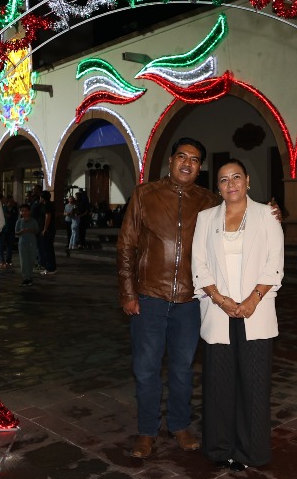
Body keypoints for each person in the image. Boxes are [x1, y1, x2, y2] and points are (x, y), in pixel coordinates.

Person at [117, 137, 281, 459]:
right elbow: (126, 246)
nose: (187, 163)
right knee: (146, 368)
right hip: (149, 296)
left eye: (194, 159)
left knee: (182, 369)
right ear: (171, 160)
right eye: (182, 157)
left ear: (200, 167)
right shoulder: (144, 195)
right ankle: (147, 431)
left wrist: (272, 210)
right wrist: (127, 292)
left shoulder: (208, 202)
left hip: (190, 301)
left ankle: (179, 425)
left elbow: (240, 208)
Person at [192, 159, 284, 471]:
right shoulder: (206, 218)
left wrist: (253, 299)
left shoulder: (266, 215)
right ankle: (219, 448)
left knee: (254, 385)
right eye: (223, 180)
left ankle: (251, 450)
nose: (230, 184)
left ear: (247, 180)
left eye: (236, 177)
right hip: (218, 312)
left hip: (255, 312)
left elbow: (274, 263)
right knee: (219, 384)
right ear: (217, 187)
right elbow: (199, 265)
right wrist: (219, 299)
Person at [15, 204, 40, 286]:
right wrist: (21, 231)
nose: (24, 212)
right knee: (23, 261)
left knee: (30, 260)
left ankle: (29, 277)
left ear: (29, 211)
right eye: (22, 210)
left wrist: (30, 230)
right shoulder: (19, 221)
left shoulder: (33, 221)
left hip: (32, 242)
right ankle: (25, 277)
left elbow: (37, 231)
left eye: (25, 210)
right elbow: (16, 233)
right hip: (22, 243)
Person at [35, 189, 58, 275]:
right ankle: (52, 267)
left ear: (42, 198)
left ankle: (50, 268)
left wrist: (45, 229)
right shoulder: (51, 204)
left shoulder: (46, 205)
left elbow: (48, 216)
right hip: (50, 229)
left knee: (47, 249)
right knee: (49, 249)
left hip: (47, 231)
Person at [0, 195, 19, 270]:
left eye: (12, 201)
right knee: (1, 246)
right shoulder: (3, 208)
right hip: (2, 230)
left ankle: (8, 260)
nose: (11, 202)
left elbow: (13, 217)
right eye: (10, 201)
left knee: (10, 246)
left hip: (11, 230)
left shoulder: (15, 209)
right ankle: (1, 261)